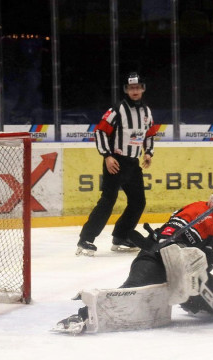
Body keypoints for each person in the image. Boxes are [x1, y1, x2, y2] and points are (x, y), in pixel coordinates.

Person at [55, 183, 213, 335]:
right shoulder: (195, 214)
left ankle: (192, 302)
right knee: (132, 294)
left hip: (188, 280)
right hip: (156, 261)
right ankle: (83, 316)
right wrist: (185, 252)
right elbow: (165, 238)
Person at [77, 72, 159, 256]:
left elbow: (150, 134)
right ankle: (85, 240)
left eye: (138, 87)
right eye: (131, 88)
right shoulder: (117, 110)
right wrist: (107, 155)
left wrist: (148, 153)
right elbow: (100, 132)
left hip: (133, 163)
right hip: (116, 162)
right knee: (108, 201)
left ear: (143, 89)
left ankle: (120, 236)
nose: (135, 91)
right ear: (126, 90)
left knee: (138, 201)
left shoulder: (146, 111)